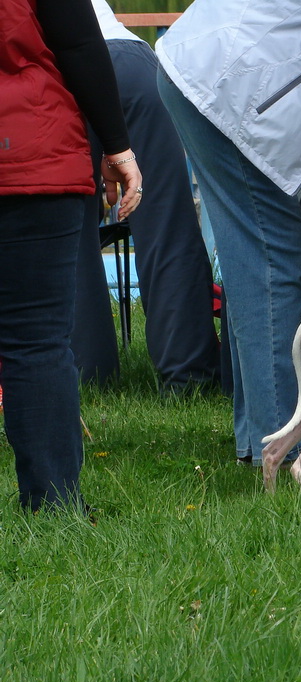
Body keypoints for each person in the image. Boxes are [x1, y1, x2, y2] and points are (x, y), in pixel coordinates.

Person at [155, 0, 301, 466]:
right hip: (224, 83)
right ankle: (284, 445)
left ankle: (259, 440)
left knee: (258, 261)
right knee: (273, 259)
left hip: (214, 74)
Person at [0, 0, 142, 511]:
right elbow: (80, 43)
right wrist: (119, 147)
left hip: (29, 156)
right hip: (29, 153)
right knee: (35, 342)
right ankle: (53, 505)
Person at [71, 0, 221, 394]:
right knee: (168, 227)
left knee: (68, 234)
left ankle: (88, 377)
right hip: (134, 62)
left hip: (64, 73)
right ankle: (191, 376)